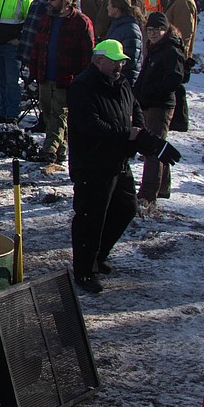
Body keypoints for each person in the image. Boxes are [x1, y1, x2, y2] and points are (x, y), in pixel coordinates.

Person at [66, 38, 179, 293]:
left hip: (117, 160)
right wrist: (126, 134)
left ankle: (98, 256)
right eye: (115, 62)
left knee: (126, 208)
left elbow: (135, 107)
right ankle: (84, 271)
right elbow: (89, 126)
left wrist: (139, 134)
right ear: (98, 60)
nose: (120, 67)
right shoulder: (82, 87)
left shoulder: (121, 82)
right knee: (90, 217)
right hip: (92, 163)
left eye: (122, 62)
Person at [28, 0, 95, 165]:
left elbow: (87, 54)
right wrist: (33, 71)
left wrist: (82, 79)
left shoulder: (81, 22)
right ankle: (61, 150)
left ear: (66, 1)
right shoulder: (46, 20)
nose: (49, 2)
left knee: (59, 115)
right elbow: (37, 47)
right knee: (49, 114)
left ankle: (49, 150)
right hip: (44, 75)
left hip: (66, 78)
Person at [133, 11, 185, 209]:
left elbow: (175, 79)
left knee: (153, 148)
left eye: (158, 30)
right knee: (158, 145)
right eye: (150, 29)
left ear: (166, 30)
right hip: (149, 102)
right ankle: (163, 187)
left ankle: (148, 193)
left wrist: (152, 91)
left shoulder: (171, 50)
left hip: (160, 104)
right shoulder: (155, 47)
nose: (153, 33)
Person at [104, 0, 144, 86]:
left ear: (116, 8)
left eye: (109, 4)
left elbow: (130, 59)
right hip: (115, 78)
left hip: (125, 81)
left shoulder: (130, 29)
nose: (107, 7)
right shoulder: (116, 25)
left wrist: (110, 64)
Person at [166, 0, 197, 67]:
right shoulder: (177, 0)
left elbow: (185, 32)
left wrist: (179, 55)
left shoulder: (183, 2)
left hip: (175, 55)